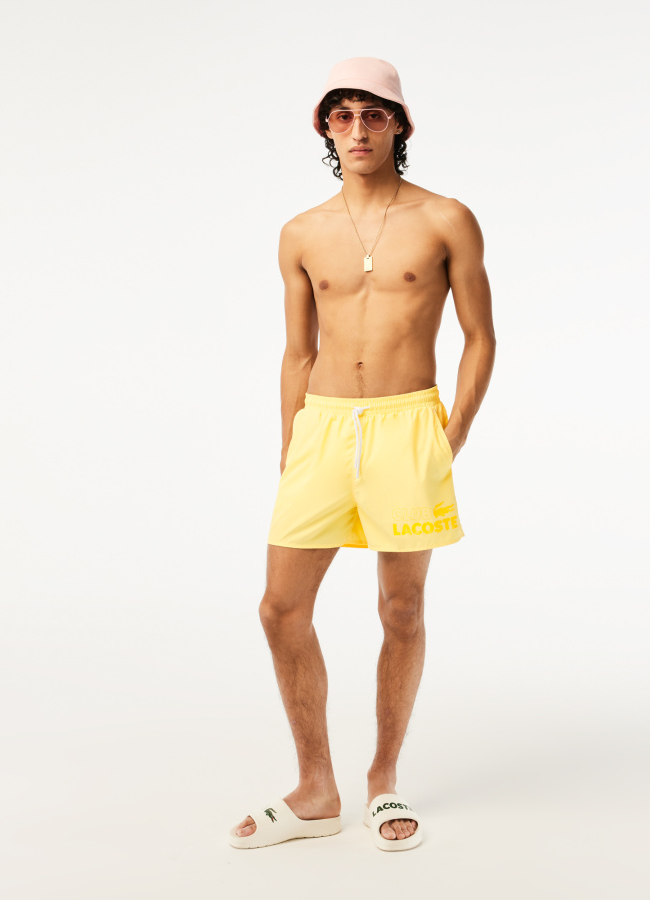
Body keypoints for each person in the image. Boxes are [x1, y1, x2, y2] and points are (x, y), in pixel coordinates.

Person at [228, 57, 496, 852]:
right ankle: (316, 787)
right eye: (342, 115)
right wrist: (292, 443)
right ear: (325, 128)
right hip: (321, 428)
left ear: (399, 125)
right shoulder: (301, 232)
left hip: (408, 425)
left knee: (400, 609)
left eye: (373, 114)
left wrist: (453, 431)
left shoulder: (447, 218)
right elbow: (296, 351)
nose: (357, 129)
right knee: (280, 609)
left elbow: (481, 336)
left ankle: (382, 779)